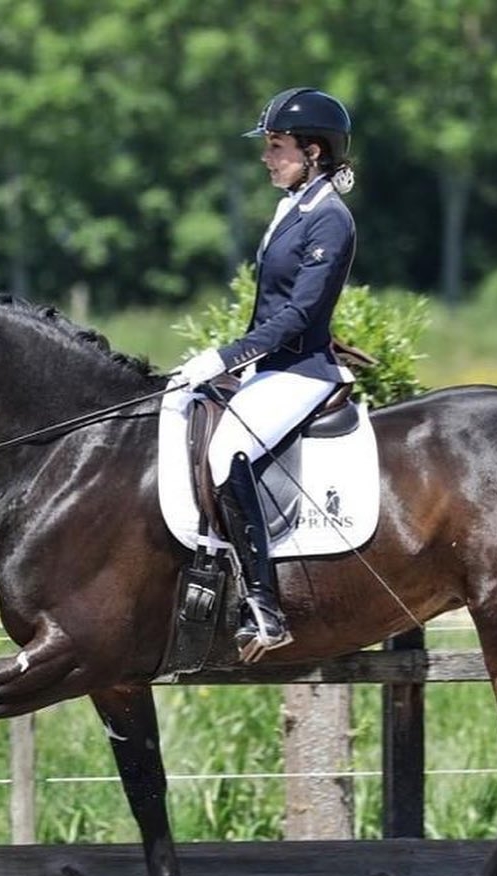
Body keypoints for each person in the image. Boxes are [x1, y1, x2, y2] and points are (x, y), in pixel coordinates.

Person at [173, 87, 357, 658]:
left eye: (276, 147)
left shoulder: (331, 219)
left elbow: (301, 312)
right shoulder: (295, 206)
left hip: (303, 371)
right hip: (273, 367)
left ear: (314, 152)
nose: (267, 157)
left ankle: (265, 609)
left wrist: (227, 357)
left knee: (229, 454)